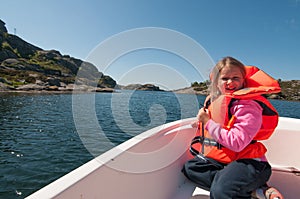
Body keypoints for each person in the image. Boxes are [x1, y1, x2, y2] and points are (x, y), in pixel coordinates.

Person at [182, 56, 283, 199]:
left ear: (243, 80)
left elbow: (237, 143)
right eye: (224, 78)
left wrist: (208, 123)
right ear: (216, 82)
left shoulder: (248, 106)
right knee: (190, 168)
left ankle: (249, 185)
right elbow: (219, 122)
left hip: (251, 162)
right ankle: (255, 190)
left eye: (236, 77)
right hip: (225, 163)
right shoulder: (217, 100)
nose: (230, 82)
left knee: (221, 192)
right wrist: (200, 123)